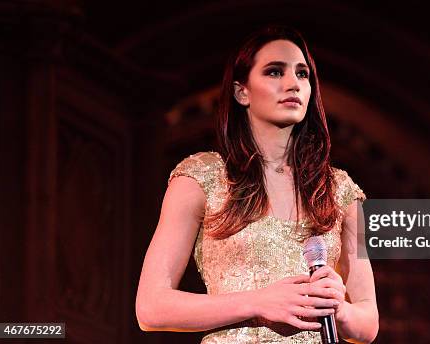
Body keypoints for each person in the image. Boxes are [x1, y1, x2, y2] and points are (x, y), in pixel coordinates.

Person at [135, 25, 379, 343]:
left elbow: (368, 321)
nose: (293, 83)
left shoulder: (340, 191)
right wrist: (258, 302)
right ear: (242, 91)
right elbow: (151, 307)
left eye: (303, 74)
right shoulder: (202, 177)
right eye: (275, 72)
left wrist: (339, 309)